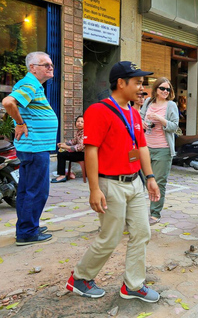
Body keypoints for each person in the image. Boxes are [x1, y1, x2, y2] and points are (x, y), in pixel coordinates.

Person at [65, 61, 161, 302]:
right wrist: (94, 188)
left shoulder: (133, 112)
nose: (141, 88)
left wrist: (150, 178)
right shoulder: (98, 111)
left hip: (135, 183)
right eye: (137, 82)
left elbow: (142, 147)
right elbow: (91, 150)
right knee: (111, 236)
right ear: (121, 83)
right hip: (111, 184)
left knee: (142, 232)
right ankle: (80, 278)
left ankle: (133, 284)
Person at [2, 51, 58, 246]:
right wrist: (19, 123)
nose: (51, 67)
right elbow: (8, 102)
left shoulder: (33, 85)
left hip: (33, 147)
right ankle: (27, 233)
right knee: (37, 190)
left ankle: (27, 227)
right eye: (46, 65)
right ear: (33, 68)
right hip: (35, 147)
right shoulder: (30, 83)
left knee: (26, 190)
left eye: (51, 64)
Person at [140, 77, 179, 225]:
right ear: (156, 89)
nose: (165, 91)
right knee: (142, 180)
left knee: (159, 182)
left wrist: (160, 119)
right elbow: (140, 117)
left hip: (163, 149)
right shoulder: (148, 102)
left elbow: (175, 126)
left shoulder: (171, 105)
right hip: (146, 147)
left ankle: (155, 213)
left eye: (168, 89)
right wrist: (142, 122)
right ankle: (137, 211)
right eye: (162, 88)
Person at [51, 115, 85, 183]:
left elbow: (79, 147)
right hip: (79, 153)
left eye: (82, 122)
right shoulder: (78, 132)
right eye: (78, 121)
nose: (79, 123)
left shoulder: (85, 133)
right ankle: (62, 174)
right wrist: (63, 144)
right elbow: (73, 141)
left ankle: (62, 176)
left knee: (62, 155)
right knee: (61, 152)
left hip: (83, 154)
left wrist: (66, 147)